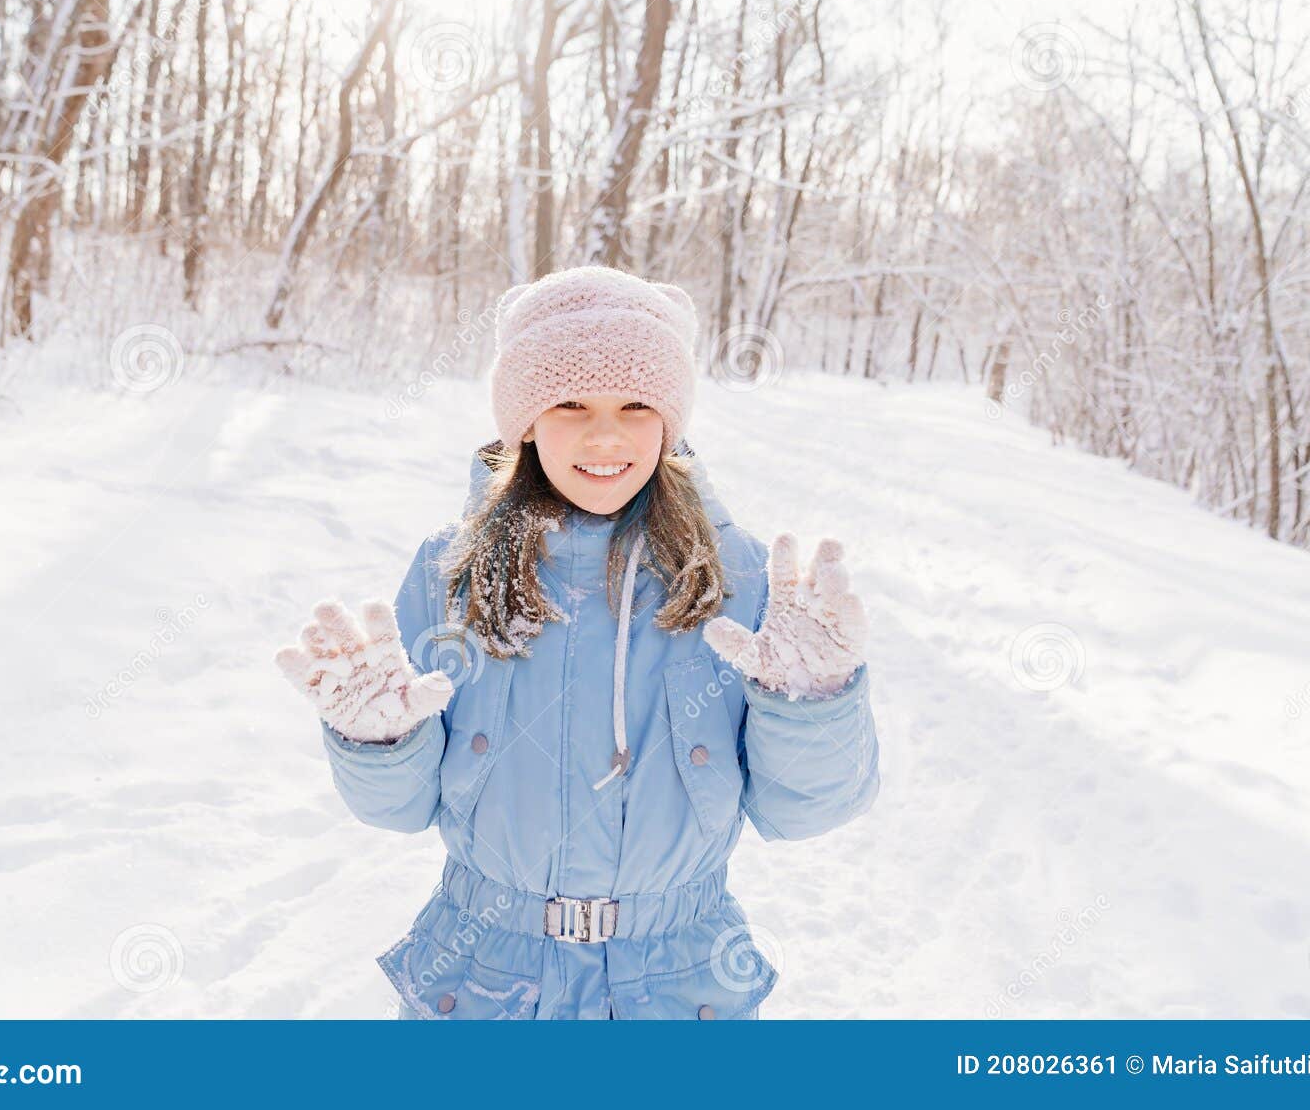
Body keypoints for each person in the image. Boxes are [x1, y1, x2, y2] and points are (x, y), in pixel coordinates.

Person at [276, 265, 880, 1019]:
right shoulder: (450, 574)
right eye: (569, 401)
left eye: (636, 404)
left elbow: (804, 812)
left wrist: (815, 708)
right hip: (483, 978)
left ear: (671, 420)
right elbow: (404, 808)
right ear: (524, 420)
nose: (605, 433)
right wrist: (376, 743)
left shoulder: (738, 577)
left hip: (678, 983)